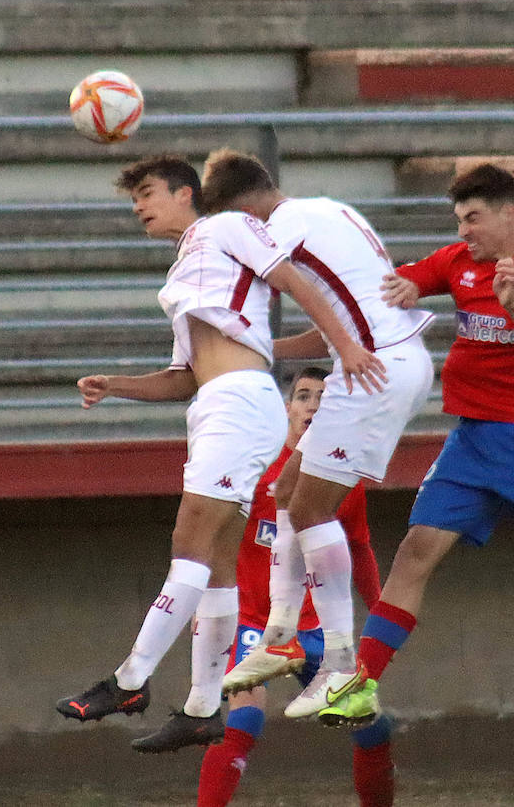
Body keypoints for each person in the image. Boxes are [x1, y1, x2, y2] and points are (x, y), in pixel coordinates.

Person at [55, 153, 386, 754]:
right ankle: (204, 707)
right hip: (215, 402)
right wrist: (117, 385)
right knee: (218, 563)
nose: (138, 206)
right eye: (134, 199)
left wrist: (346, 347)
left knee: (189, 545)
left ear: (188, 193)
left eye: (148, 192)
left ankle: (129, 682)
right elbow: (186, 376)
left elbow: (293, 280)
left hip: (239, 403)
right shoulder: (184, 268)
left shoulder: (225, 227)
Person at [316, 162, 514, 775]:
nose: (465, 231)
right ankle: (363, 684)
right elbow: (402, 281)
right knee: (414, 551)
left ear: (509, 214)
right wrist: (404, 287)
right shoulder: (457, 262)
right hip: (471, 443)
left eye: (474, 218)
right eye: (459, 220)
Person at [201, 149, 434, 719]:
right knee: (287, 492)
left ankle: (339, 666)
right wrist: (269, 351)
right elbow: (343, 309)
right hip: (383, 359)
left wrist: (346, 350)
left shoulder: (278, 231)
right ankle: (282, 637)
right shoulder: (329, 210)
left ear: (243, 213)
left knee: (310, 511)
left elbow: (331, 314)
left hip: (371, 368)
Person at [198, 366, 395, 807]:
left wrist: (382, 611)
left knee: (372, 724)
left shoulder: (343, 480)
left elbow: (360, 550)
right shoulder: (253, 470)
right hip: (255, 622)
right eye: (304, 396)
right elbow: (211, 539)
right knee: (243, 720)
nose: (313, 405)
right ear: (288, 409)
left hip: (318, 629)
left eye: (324, 398)